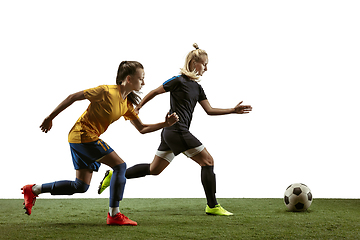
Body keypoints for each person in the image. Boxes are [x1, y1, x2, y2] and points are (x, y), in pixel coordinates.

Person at [98, 44, 252, 216]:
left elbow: (209, 110)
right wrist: (139, 107)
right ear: (194, 63)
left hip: (172, 134)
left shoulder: (198, 87)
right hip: (177, 131)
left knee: (154, 169)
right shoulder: (178, 80)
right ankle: (212, 205)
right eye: (204, 64)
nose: (206, 68)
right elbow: (155, 91)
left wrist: (232, 110)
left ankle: (114, 176)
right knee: (208, 161)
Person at [21, 61, 179, 226]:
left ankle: (33, 189)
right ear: (129, 79)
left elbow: (142, 128)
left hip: (80, 139)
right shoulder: (106, 91)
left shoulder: (126, 104)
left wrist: (165, 124)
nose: (144, 83)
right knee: (120, 166)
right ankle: (114, 214)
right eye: (141, 79)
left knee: (80, 186)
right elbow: (73, 97)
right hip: (83, 136)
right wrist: (50, 117)